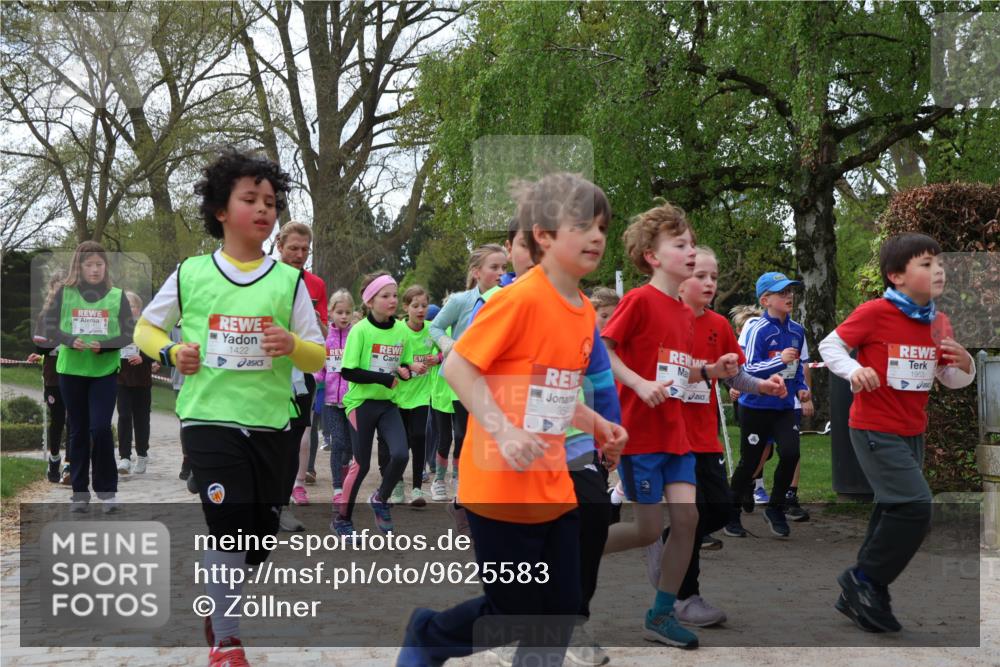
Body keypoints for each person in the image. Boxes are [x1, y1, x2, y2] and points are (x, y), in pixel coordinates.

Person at [398, 172, 626, 666]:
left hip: (553, 484)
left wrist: (596, 425)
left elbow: (555, 394)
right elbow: (458, 367)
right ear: (543, 236)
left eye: (603, 229)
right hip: (498, 483)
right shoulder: (516, 298)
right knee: (515, 610)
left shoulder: (585, 311)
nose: (596, 238)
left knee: (564, 607)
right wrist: (503, 428)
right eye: (583, 226)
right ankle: (428, 636)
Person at [134, 150, 324, 667]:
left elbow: (318, 352)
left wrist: (291, 344)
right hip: (209, 418)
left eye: (271, 201)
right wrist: (171, 351)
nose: (264, 209)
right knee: (229, 524)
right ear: (221, 209)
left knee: (257, 540)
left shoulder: (288, 282)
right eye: (250, 199)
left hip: (271, 422)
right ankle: (227, 640)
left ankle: (220, 608)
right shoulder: (191, 272)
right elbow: (145, 329)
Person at [819, 232, 974, 633]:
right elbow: (829, 347)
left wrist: (966, 364)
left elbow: (949, 378)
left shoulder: (938, 321)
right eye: (925, 264)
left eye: (939, 262)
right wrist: (854, 369)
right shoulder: (875, 312)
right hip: (874, 427)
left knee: (893, 507)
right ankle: (864, 581)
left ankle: (862, 590)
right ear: (896, 276)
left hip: (911, 431)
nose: (938, 269)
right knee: (916, 506)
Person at [601, 202, 738, 650]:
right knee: (644, 529)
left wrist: (709, 372)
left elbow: (678, 373)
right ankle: (573, 548)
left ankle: (661, 614)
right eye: (681, 245)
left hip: (676, 435)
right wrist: (639, 384)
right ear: (653, 257)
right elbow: (605, 352)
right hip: (640, 435)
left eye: (693, 244)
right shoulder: (639, 300)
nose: (692, 252)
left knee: (688, 520)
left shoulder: (684, 313)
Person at [644, 246, 786, 628]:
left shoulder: (719, 325)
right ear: (679, 276)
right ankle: (685, 598)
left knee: (721, 509)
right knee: (690, 516)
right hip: (669, 434)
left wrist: (763, 386)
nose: (709, 283)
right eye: (700, 275)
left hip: (705, 435)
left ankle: (666, 543)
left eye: (714, 277)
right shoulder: (657, 319)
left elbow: (732, 374)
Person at [37, 241, 134, 513]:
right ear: (78, 266)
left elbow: (129, 334)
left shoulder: (117, 295)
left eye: (99, 265)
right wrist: (69, 339)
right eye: (89, 264)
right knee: (78, 430)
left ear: (106, 267)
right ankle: (80, 492)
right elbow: (49, 327)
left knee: (101, 428)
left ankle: (107, 492)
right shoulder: (64, 293)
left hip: (103, 371)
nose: (94, 270)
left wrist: (105, 345)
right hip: (71, 371)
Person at [727, 271, 810, 538]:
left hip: (785, 407)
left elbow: (796, 370)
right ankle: (731, 511)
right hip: (756, 405)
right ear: (765, 300)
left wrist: (803, 389)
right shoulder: (756, 329)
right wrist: (779, 361)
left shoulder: (797, 330)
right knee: (750, 462)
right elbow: (747, 368)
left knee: (791, 453)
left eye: (790, 291)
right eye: (782, 293)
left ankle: (775, 508)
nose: (789, 296)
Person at [335, 271, 415, 537]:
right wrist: (384, 379)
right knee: (361, 464)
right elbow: (348, 371)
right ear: (370, 301)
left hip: (388, 404)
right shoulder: (360, 331)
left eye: (394, 295)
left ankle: (380, 498)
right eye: (385, 296)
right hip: (361, 404)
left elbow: (402, 365)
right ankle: (342, 520)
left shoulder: (402, 329)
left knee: (402, 454)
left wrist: (407, 370)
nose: (392, 300)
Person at [428, 243, 508, 499]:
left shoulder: (508, 299)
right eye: (494, 267)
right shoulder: (460, 301)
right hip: (462, 377)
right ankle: (443, 480)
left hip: (494, 379)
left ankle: (468, 484)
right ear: (476, 272)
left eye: (504, 267)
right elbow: (435, 328)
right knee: (460, 434)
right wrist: (450, 346)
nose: (500, 273)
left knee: (488, 433)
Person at [276, 221, 327, 512]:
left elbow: (321, 332)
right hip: (268, 371)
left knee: (296, 435)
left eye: (305, 249)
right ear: (279, 246)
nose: (299, 254)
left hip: (302, 372)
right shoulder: (265, 276)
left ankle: (283, 501)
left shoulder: (315, 284)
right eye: (293, 248)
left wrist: (309, 311)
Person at [315, 289, 355, 520]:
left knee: (350, 447)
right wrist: (314, 380)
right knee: (337, 442)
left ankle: (345, 481)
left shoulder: (354, 336)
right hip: (331, 401)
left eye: (347, 312)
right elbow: (321, 368)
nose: (343, 316)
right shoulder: (326, 339)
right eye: (339, 312)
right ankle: (338, 488)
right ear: (330, 313)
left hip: (352, 401)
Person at [29, 269, 70, 484]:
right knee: (58, 419)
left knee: (74, 419)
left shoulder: (75, 314)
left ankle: (71, 465)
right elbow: (40, 342)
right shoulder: (44, 316)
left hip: (74, 373)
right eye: (59, 287)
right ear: (52, 289)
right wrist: (44, 350)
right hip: (53, 375)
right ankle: (54, 460)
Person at [116, 292, 159, 475]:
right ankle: (124, 457)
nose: (129, 309)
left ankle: (142, 455)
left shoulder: (146, 328)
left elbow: (156, 350)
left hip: (141, 380)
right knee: (124, 416)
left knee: (141, 419)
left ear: (139, 309)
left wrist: (143, 357)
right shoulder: (117, 327)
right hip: (122, 379)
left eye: (132, 306)